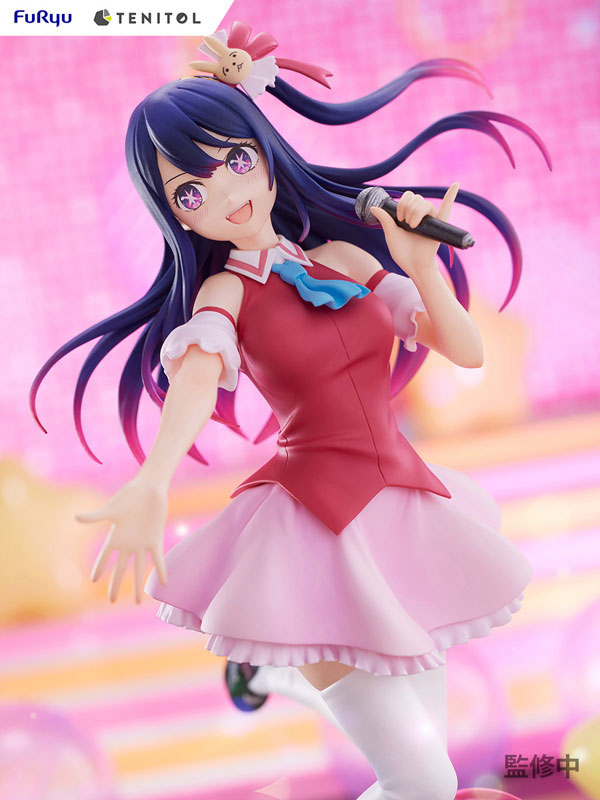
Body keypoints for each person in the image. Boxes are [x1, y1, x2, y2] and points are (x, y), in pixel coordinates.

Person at [30, 22, 550, 800]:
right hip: (313, 532)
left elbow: (467, 350)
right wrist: (154, 479)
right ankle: (276, 668)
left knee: (422, 771)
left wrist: (420, 266)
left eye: (236, 160)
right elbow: (199, 377)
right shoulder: (225, 293)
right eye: (191, 191)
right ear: (180, 218)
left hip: (404, 512)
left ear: (265, 149)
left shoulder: (348, 260)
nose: (227, 193)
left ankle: (272, 674)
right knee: (423, 779)